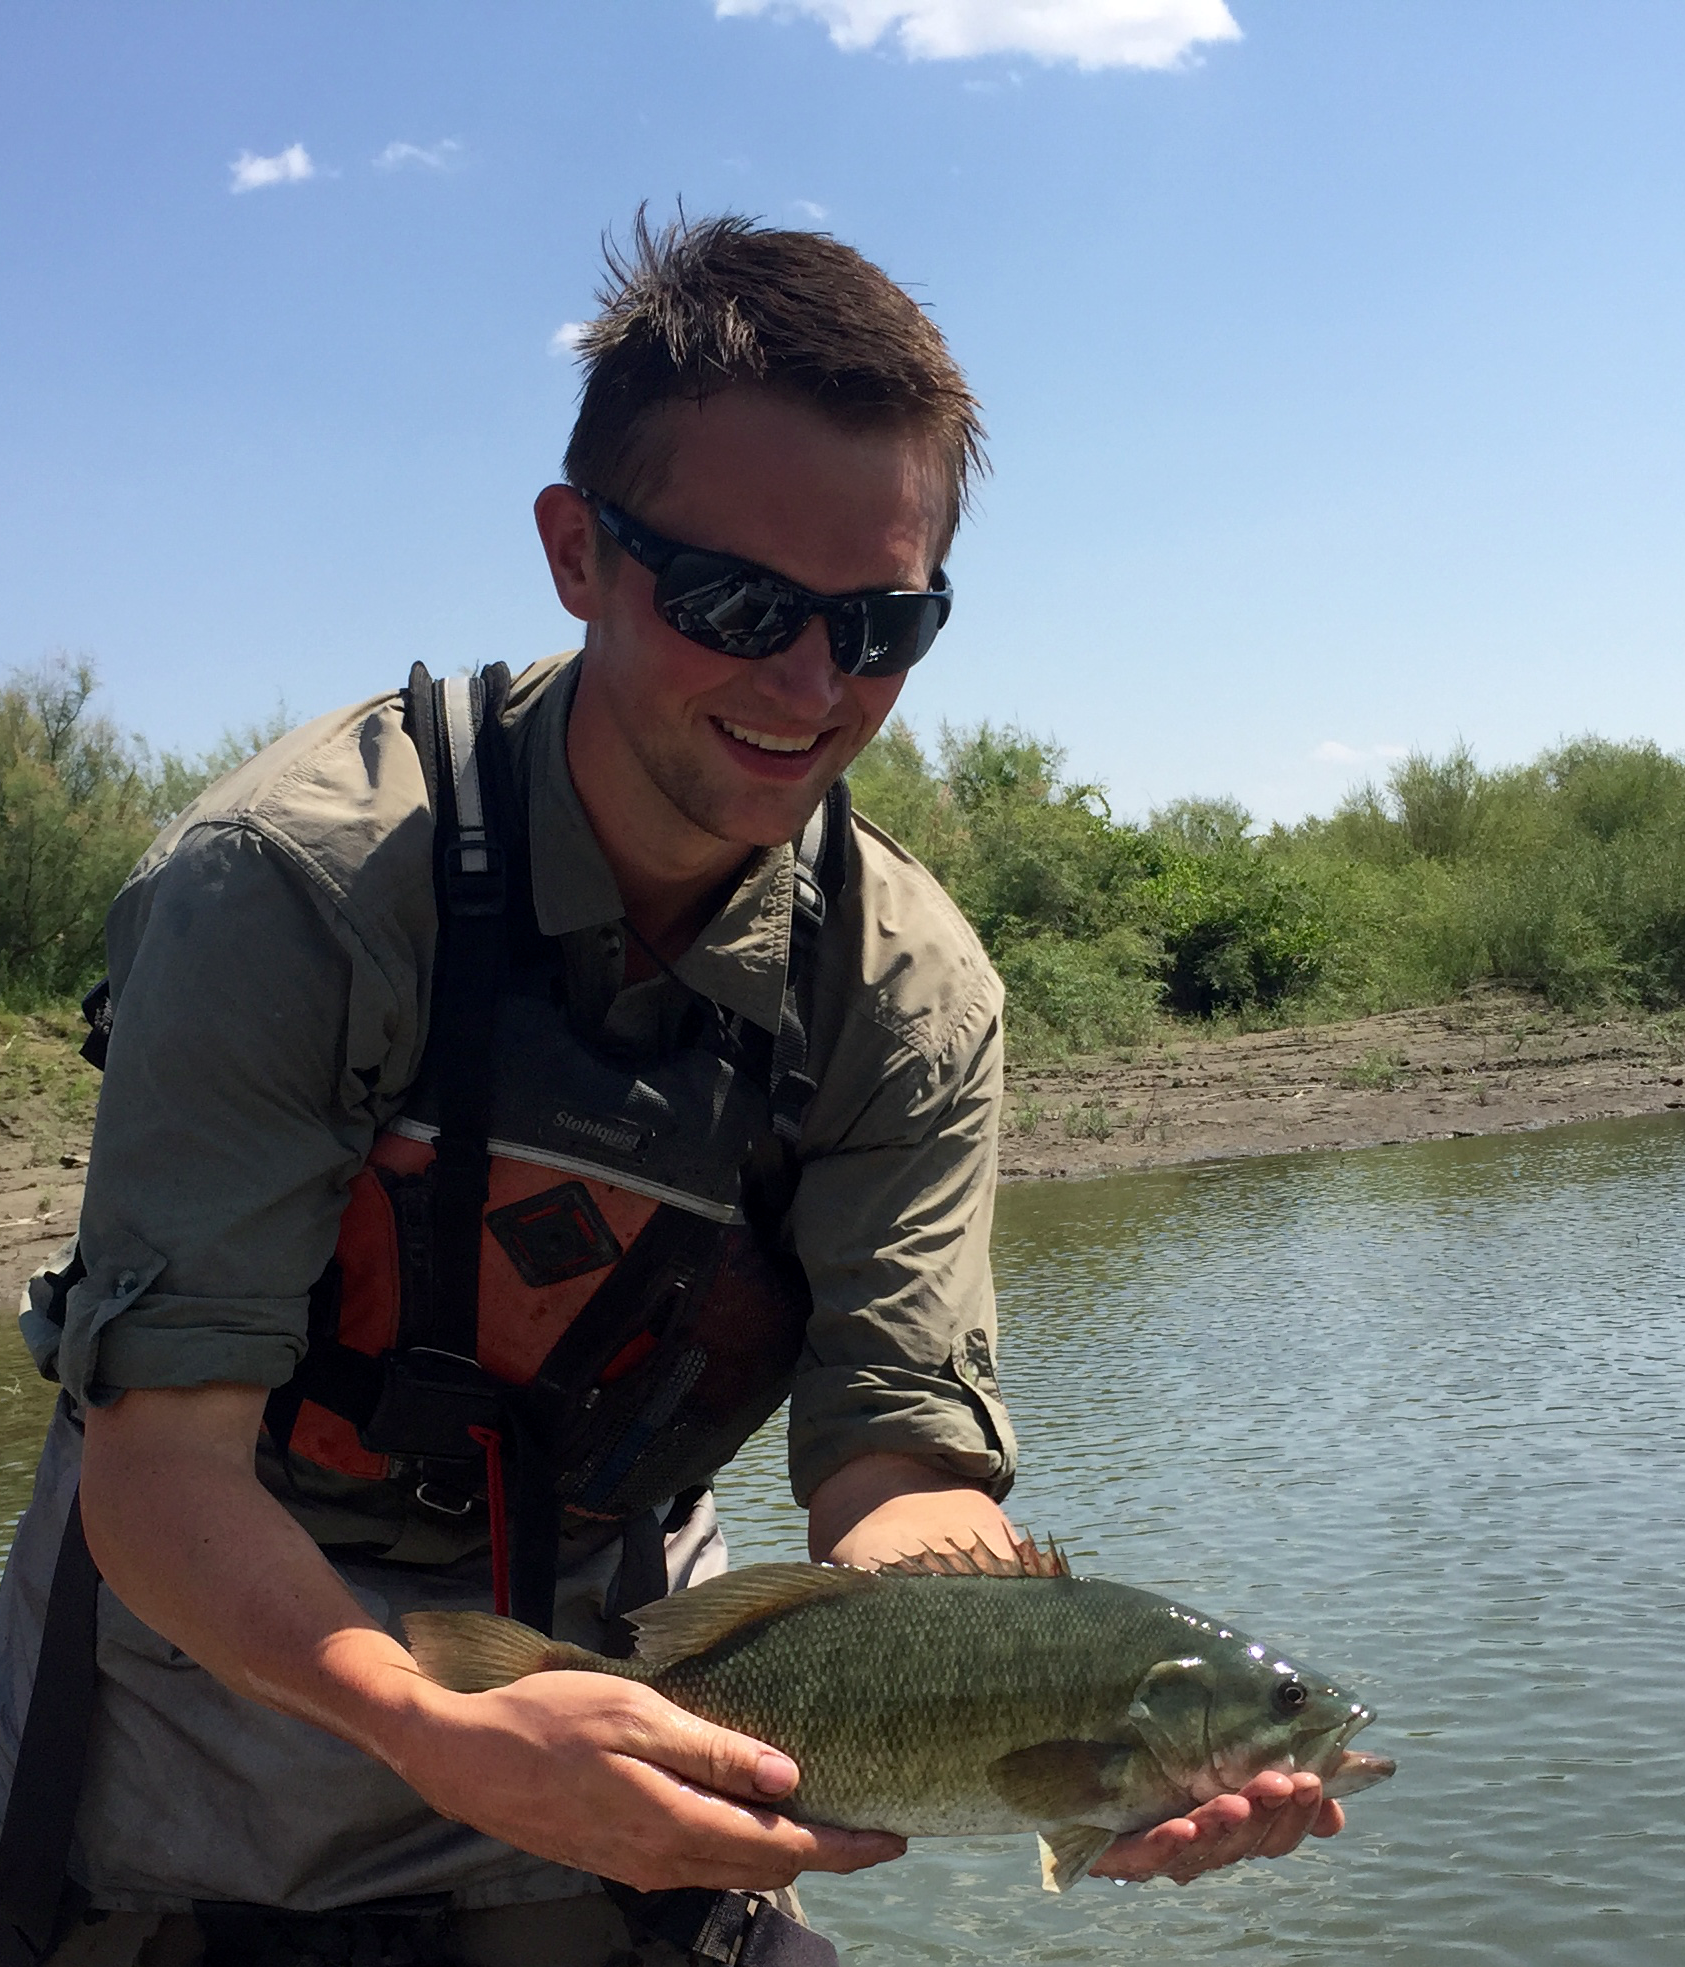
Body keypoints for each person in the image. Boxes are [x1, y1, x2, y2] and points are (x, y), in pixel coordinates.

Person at [0, 214, 1344, 1967]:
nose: (811, 687)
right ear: (577, 551)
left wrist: (1084, 1742)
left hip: (654, 1708)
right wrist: (431, 1724)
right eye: (736, 605)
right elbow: (159, 1475)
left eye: (884, 624)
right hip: (210, 1738)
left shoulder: (909, 992)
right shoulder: (298, 888)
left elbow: (891, 1463)